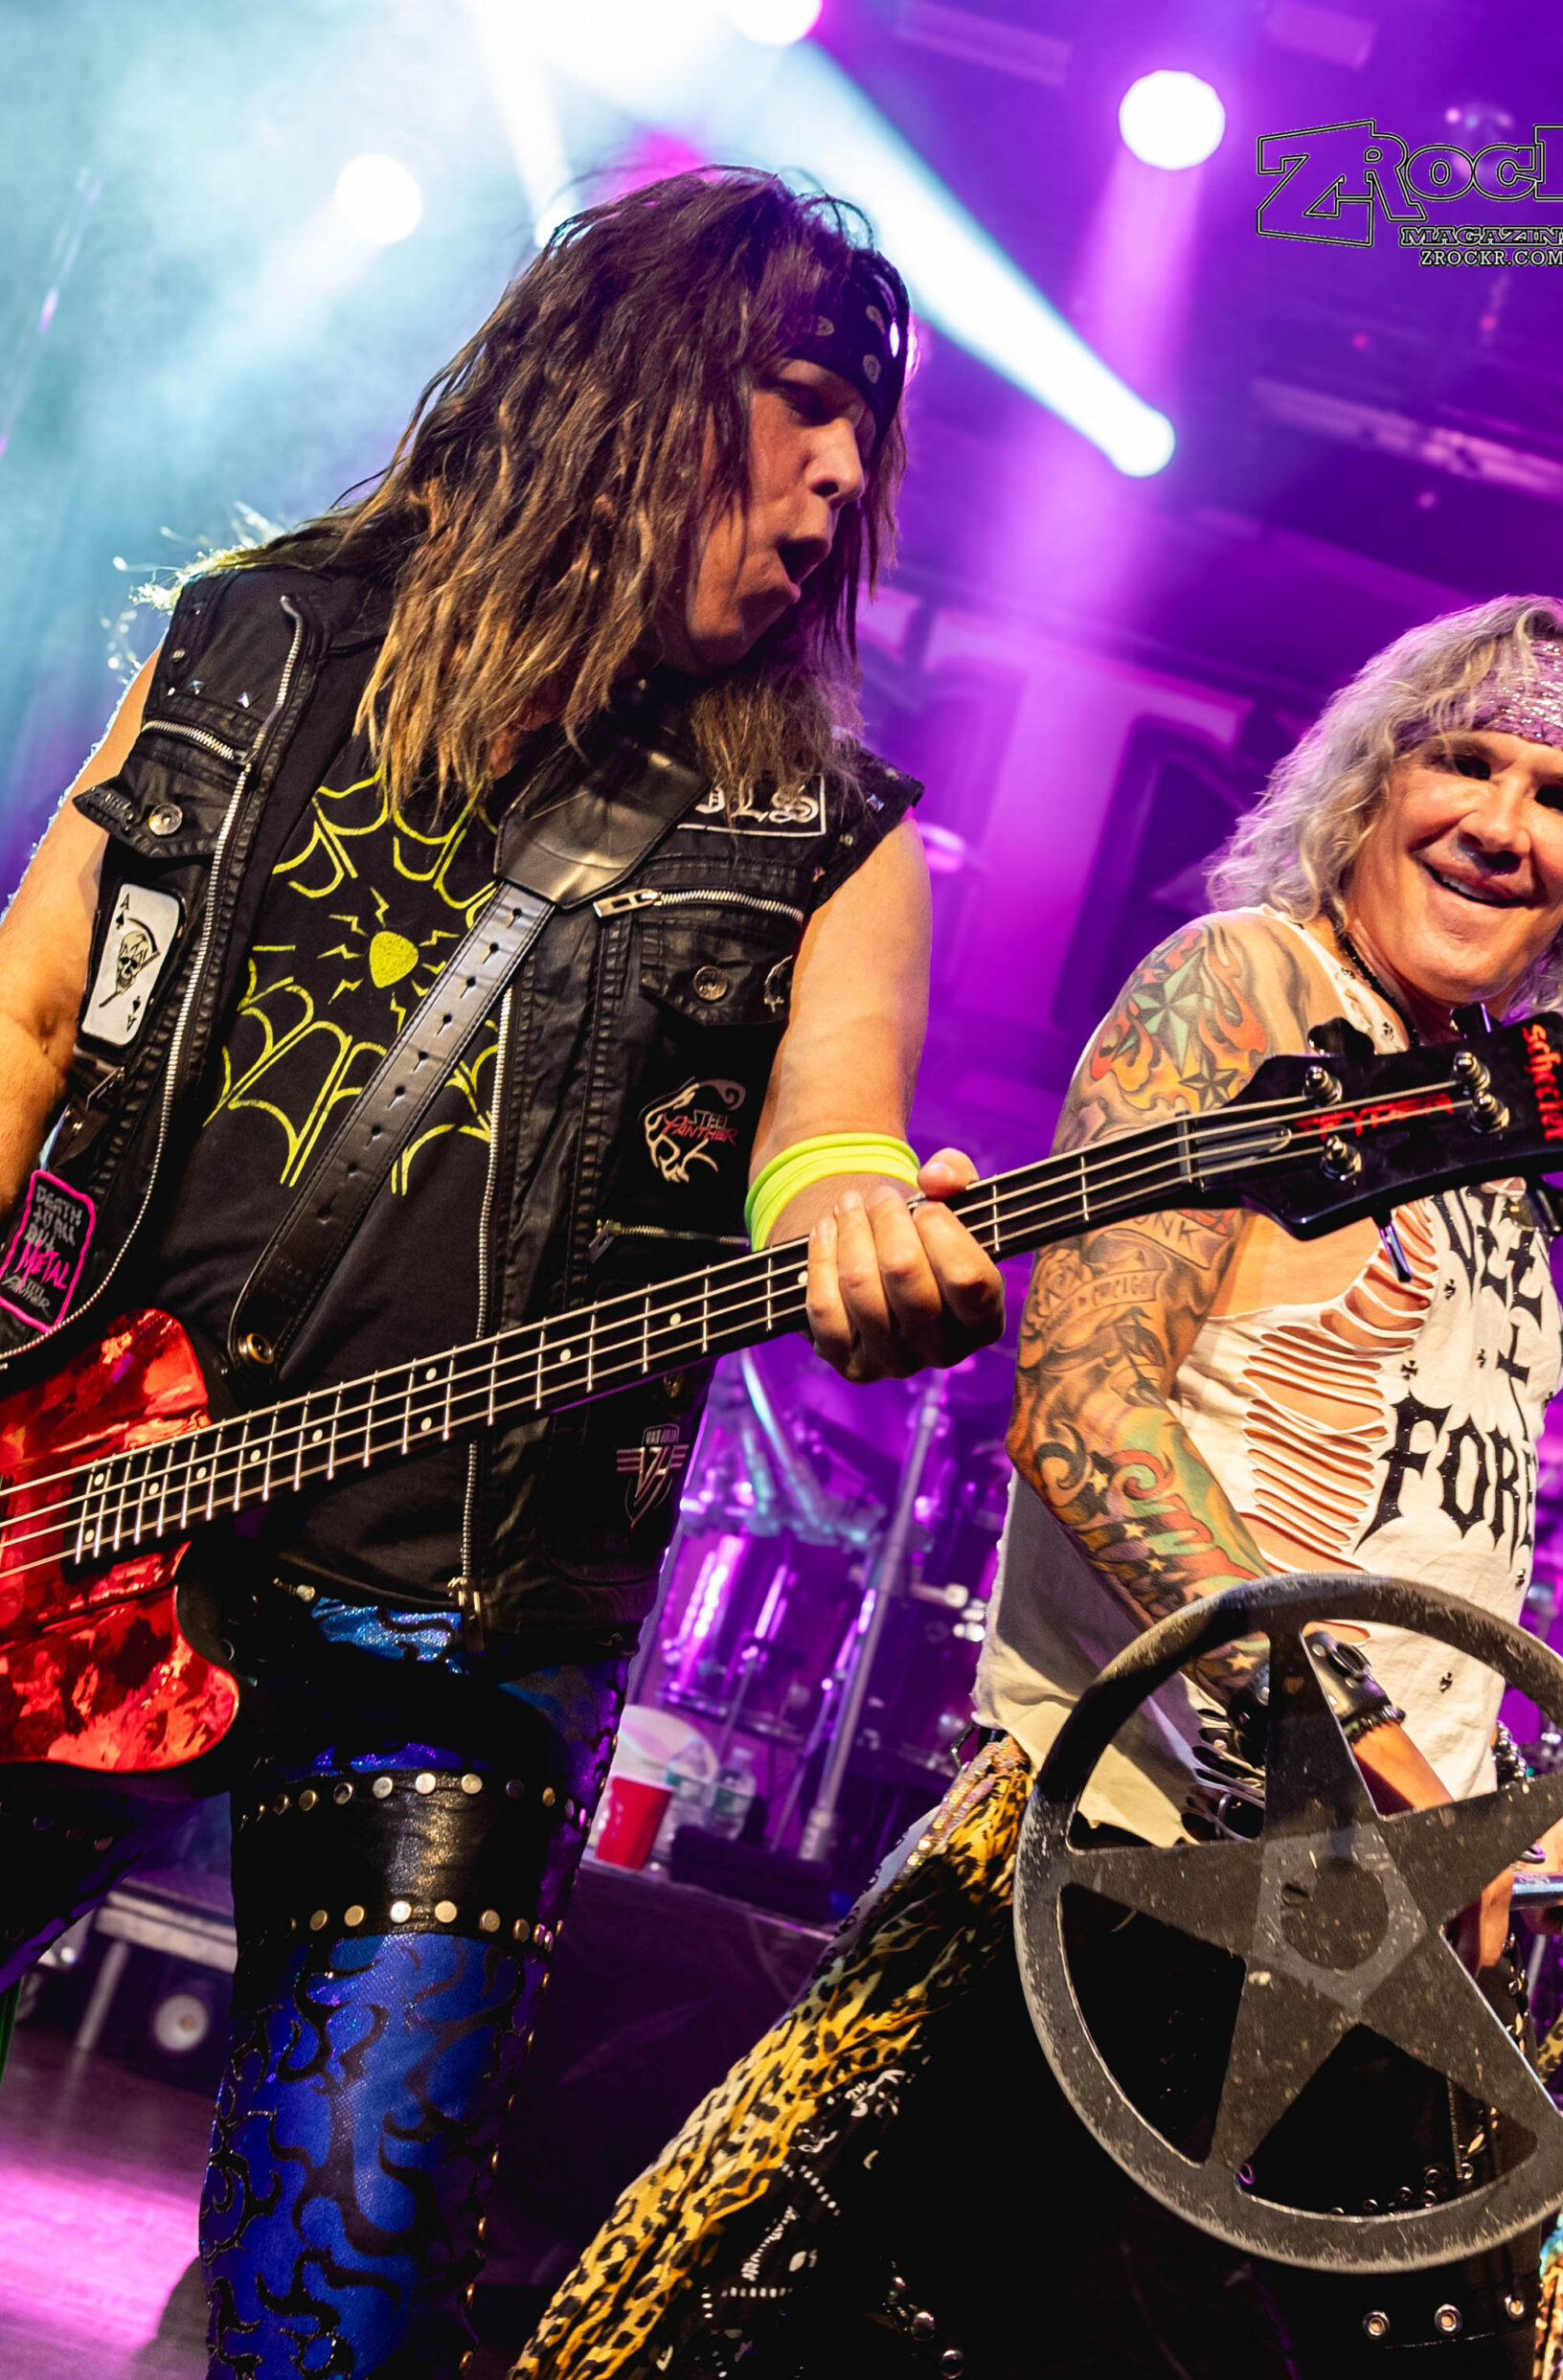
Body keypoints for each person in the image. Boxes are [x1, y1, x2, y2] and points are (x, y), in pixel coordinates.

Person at [0, 170, 1003, 2378]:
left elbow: (831, 1126)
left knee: (343, 2292)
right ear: (629, 382)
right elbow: (33, 1010)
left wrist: (859, 1219)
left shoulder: (827, 836)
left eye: (871, 442)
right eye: (806, 399)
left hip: (451, 1634)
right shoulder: (248, 646)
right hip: (53, 1505)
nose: (846, 481)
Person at [510, 598, 1563, 2380]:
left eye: (1562, 797)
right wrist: (1365, 1746)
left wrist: (1500, 1799)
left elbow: (1429, 1539)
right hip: (1143, 1845)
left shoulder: (1498, 1128)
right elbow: (1085, 1410)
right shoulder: (1249, 987)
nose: (1501, 823)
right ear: (1374, 786)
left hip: (1382, 1891)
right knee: (791, 2331)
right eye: (1463, 762)